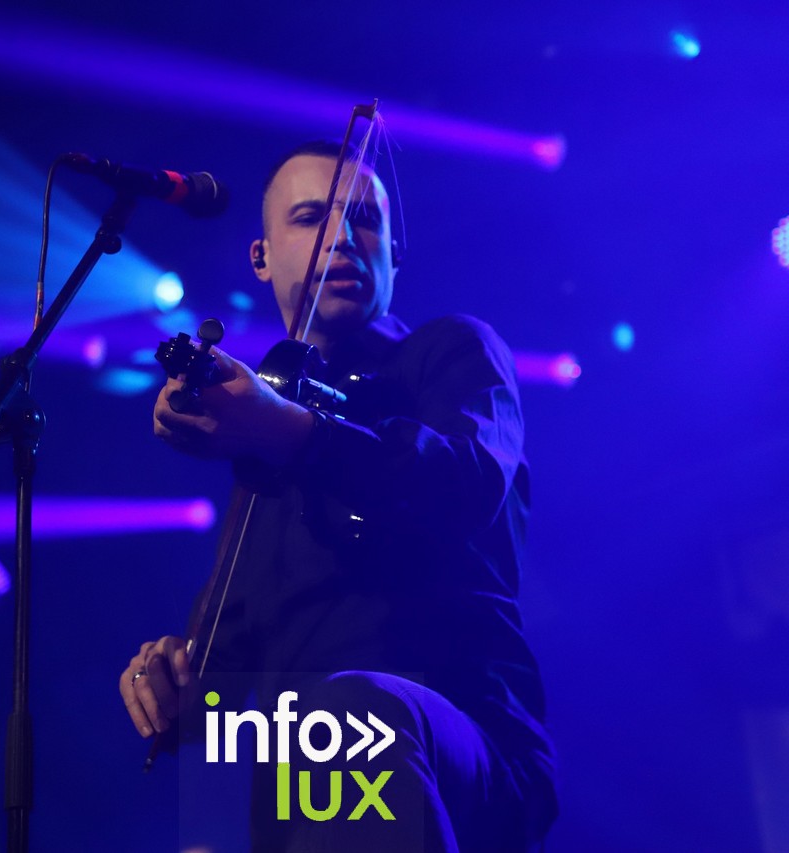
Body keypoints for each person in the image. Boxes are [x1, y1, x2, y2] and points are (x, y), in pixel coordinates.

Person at [120, 141, 557, 851]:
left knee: (352, 715)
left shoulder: (452, 352)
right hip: (310, 787)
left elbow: (464, 484)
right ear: (261, 257)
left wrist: (289, 431)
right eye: (311, 218)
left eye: (365, 220)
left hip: (462, 746)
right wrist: (167, 679)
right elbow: (216, 691)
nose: (345, 237)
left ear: (394, 256)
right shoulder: (262, 454)